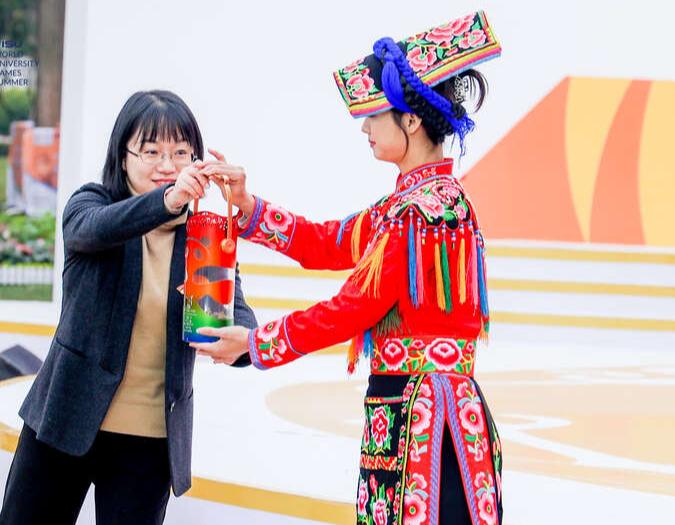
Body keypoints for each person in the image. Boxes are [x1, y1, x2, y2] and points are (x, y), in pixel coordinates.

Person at [193, 11, 503, 524]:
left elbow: (351, 309)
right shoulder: (416, 203)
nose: (365, 127)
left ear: (411, 120)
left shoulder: (420, 212)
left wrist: (255, 344)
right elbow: (327, 242)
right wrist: (247, 208)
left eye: (375, 115)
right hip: (418, 410)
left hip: (426, 422)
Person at [0, 90, 258, 525]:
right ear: (123, 156)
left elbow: (238, 318)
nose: (167, 165)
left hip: (149, 439)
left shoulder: (204, 236)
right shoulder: (92, 204)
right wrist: (167, 202)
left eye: (180, 152)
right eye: (151, 151)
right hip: (65, 418)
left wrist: (240, 340)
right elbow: (92, 230)